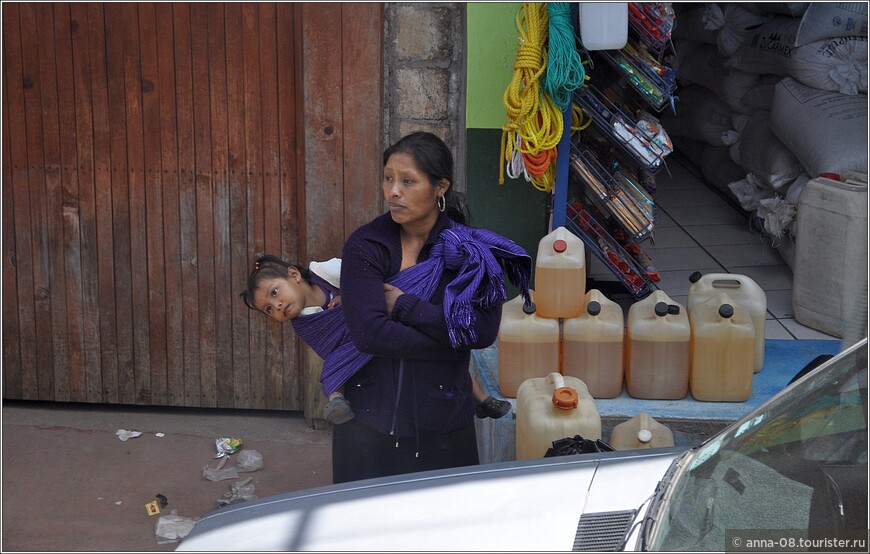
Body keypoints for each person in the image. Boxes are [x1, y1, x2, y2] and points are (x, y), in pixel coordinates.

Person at [333, 131, 533, 483]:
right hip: (367, 425)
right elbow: (369, 334)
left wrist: (406, 306)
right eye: (388, 178)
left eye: (408, 182)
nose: (393, 191)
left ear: (440, 187)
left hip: (444, 425)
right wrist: (452, 339)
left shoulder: (469, 253)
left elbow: (482, 331)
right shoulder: (367, 245)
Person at [240, 254, 513, 426]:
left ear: (294, 275)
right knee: (336, 366)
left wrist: (352, 297)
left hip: (382, 317)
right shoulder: (305, 323)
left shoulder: (329, 271)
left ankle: (482, 399)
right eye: (269, 309)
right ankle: (336, 400)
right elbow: (330, 347)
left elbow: (366, 277)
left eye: (275, 293)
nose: (278, 306)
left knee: (437, 348)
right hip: (354, 346)